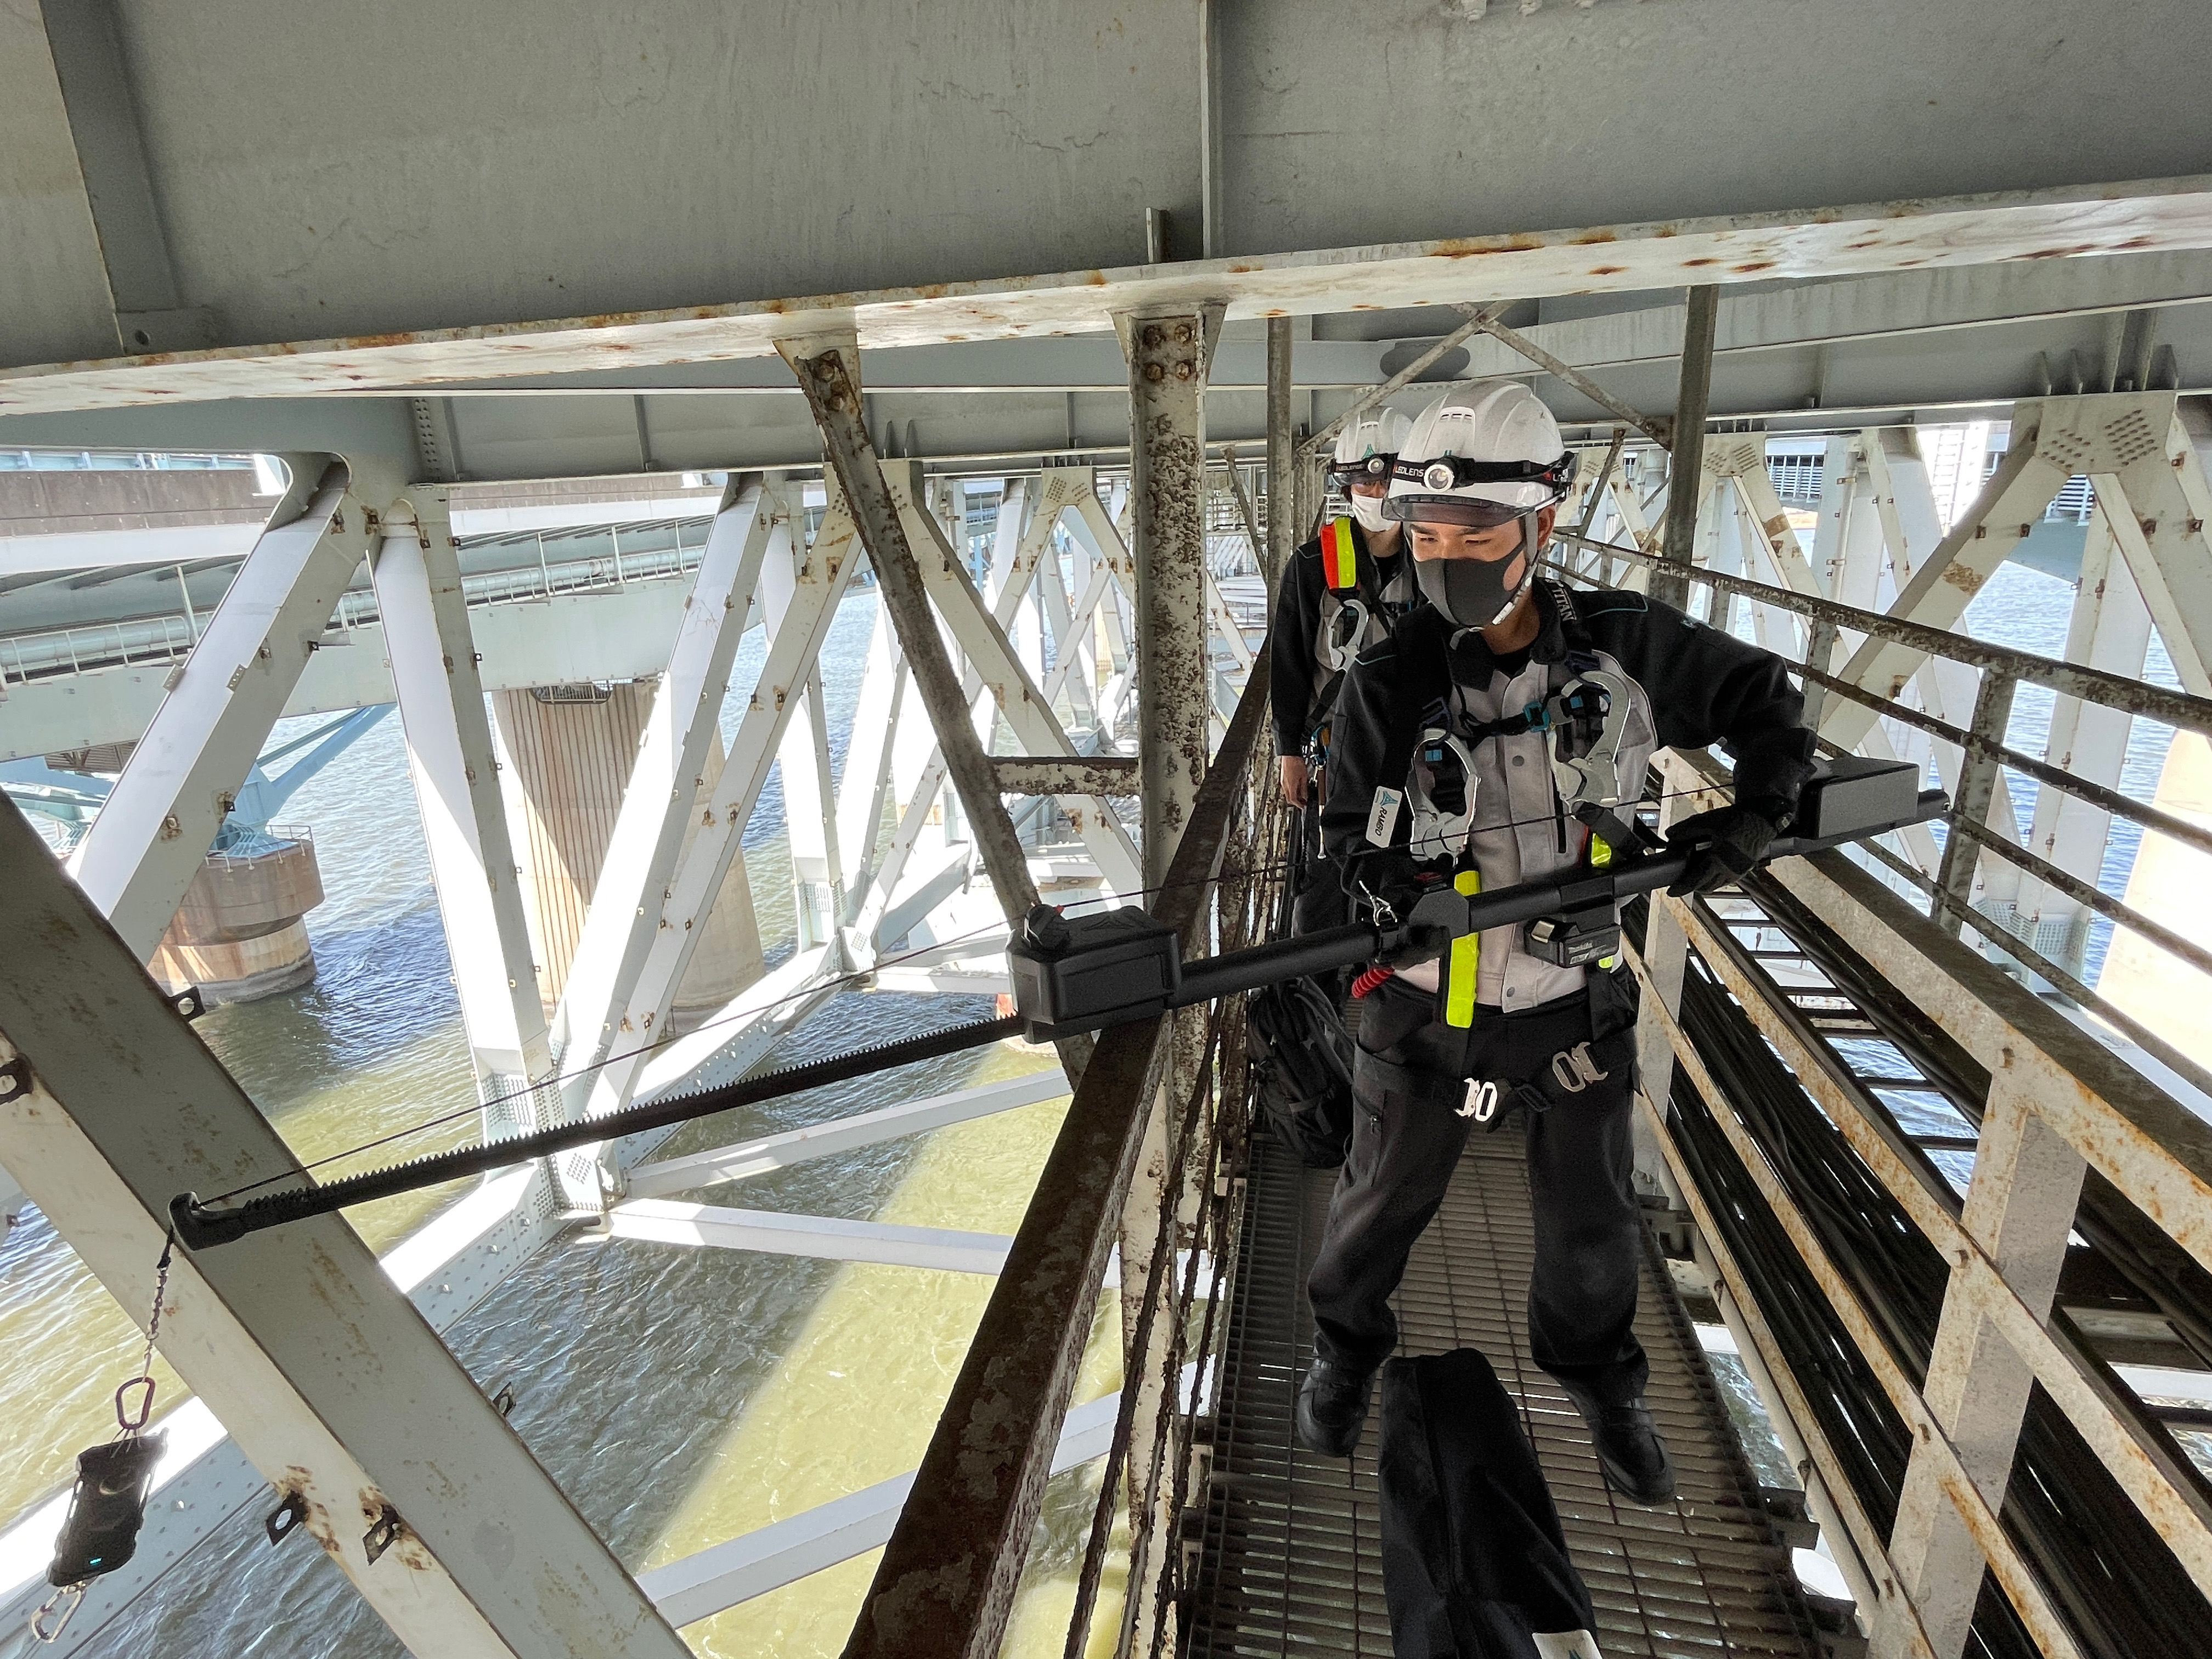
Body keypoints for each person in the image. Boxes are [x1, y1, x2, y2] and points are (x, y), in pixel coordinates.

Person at [1296, 381, 1816, 1505]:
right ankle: (1343, 1351)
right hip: (1425, 1007)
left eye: (1476, 533)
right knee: (1374, 1203)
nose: (1447, 557)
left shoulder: (1628, 646)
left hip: (1576, 1003)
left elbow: (1765, 701)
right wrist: (1389, 887)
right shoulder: (1387, 676)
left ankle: (1600, 1382)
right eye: (1427, 535)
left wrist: (1757, 812)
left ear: (1542, 523)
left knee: (1593, 1222)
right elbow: (1345, 831)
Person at [1269, 409, 1420, 946]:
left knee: (1411, 853)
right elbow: (1288, 662)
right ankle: (1321, 974)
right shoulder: (1314, 564)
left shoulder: (1435, 559)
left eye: (1387, 480)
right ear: (1347, 485)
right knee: (1330, 869)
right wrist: (1289, 751)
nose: (1377, 492)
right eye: (1365, 481)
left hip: (1413, 744)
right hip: (1336, 750)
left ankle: (1391, 957)